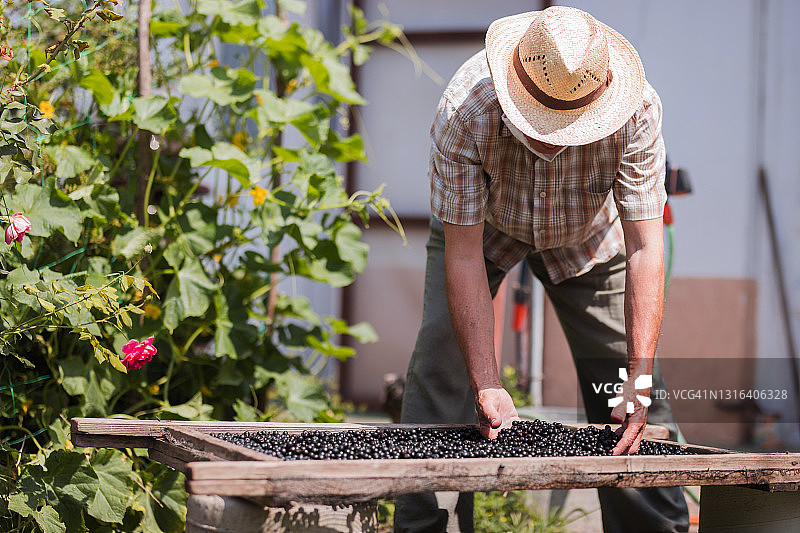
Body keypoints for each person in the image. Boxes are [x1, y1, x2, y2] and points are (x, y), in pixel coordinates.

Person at [394, 6, 689, 533]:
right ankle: (424, 527)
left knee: (631, 394)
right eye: (542, 123)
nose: (553, 141)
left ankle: (654, 528)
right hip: (482, 230)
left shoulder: (637, 110)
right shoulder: (467, 109)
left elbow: (646, 245)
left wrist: (638, 374)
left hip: (589, 238)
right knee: (443, 375)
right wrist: (486, 381)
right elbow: (461, 253)